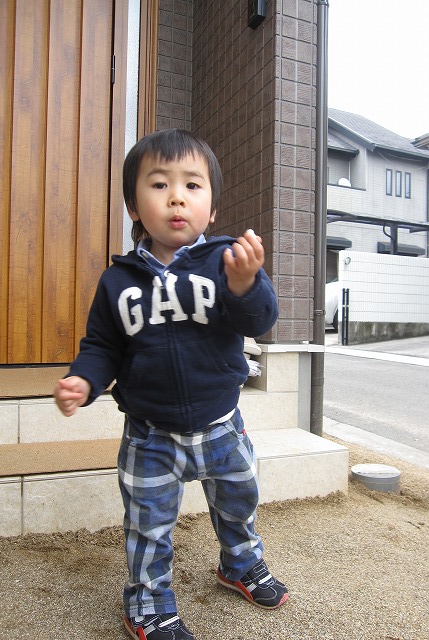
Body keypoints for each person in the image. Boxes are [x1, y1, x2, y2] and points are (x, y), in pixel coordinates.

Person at [54, 129, 288, 640]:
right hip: (150, 435)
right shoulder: (118, 281)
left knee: (239, 502)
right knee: (149, 524)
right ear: (134, 206)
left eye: (192, 186)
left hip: (222, 426)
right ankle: (149, 601)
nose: (176, 197)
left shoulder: (228, 262)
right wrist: (84, 379)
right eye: (159, 185)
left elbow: (260, 321)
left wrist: (246, 285)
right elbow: (103, 345)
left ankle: (241, 562)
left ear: (212, 208)